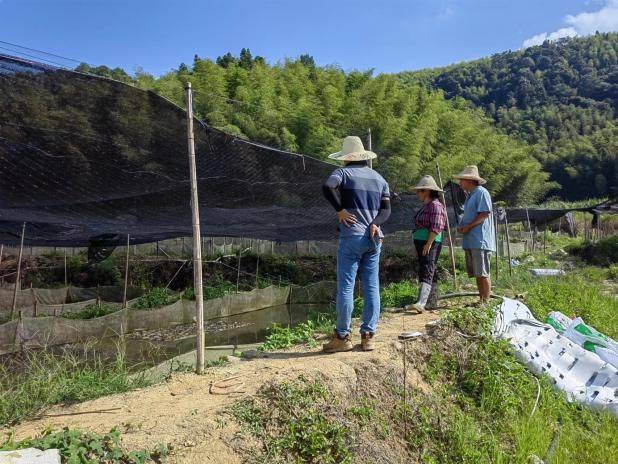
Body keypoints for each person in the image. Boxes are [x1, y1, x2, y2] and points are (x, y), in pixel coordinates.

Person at [321, 136, 391, 352]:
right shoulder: (379, 179)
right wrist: (374, 223)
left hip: (352, 237)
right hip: (374, 237)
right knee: (371, 286)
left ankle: (342, 337)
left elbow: (327, 187)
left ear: (346, 158)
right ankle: (368, 336)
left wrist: (340, 210)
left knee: (346, 287)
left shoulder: (343, 173)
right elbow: (386, 210)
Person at [406, 175, 447, 313]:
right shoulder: (427, 206)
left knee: (428, 268)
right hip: (422, 241)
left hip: (429, 241)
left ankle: (422, 302)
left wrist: (428, 243)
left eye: (420, 191)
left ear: (427, 191)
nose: (417, 194)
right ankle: (430, 301)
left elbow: (437, 226)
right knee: (427, 268)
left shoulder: (435, 205)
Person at [454, 165, 495, 304]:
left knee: (483, 273)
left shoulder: (481, 192)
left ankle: (486, 302)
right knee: (478, 273)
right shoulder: (470, 195)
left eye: (462, 180)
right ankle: (482, 300)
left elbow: (484, 213)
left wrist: (468, 226)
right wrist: (462, 226)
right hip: (472, 239)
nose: (460, 183)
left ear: (470, 180)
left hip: (480, 240)